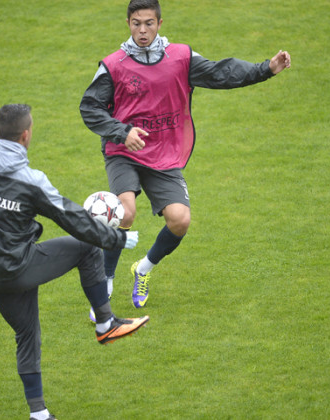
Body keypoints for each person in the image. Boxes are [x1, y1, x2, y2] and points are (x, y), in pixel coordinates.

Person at [0, 104, 149, 420]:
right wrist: (117, 239)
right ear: (26, 135)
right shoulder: (31, 180)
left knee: (27, 333)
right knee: (86, 249)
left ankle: (39, 414)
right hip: (18, 268)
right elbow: (72, 218)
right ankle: (105, 323)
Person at [80, 0, 291, 312]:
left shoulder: (181, 58)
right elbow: (90, 107)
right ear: (128, 23)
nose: (142, 30)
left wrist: (266, 69)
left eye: (149, 23)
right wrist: (122, 132)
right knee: (125, 212)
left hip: (164, 154)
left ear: (160, 24)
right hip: (124, 151)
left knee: (180, 221)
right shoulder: (113, 66)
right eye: (136, 23)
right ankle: (106, 279)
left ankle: (142, 270)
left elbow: (222, 73)